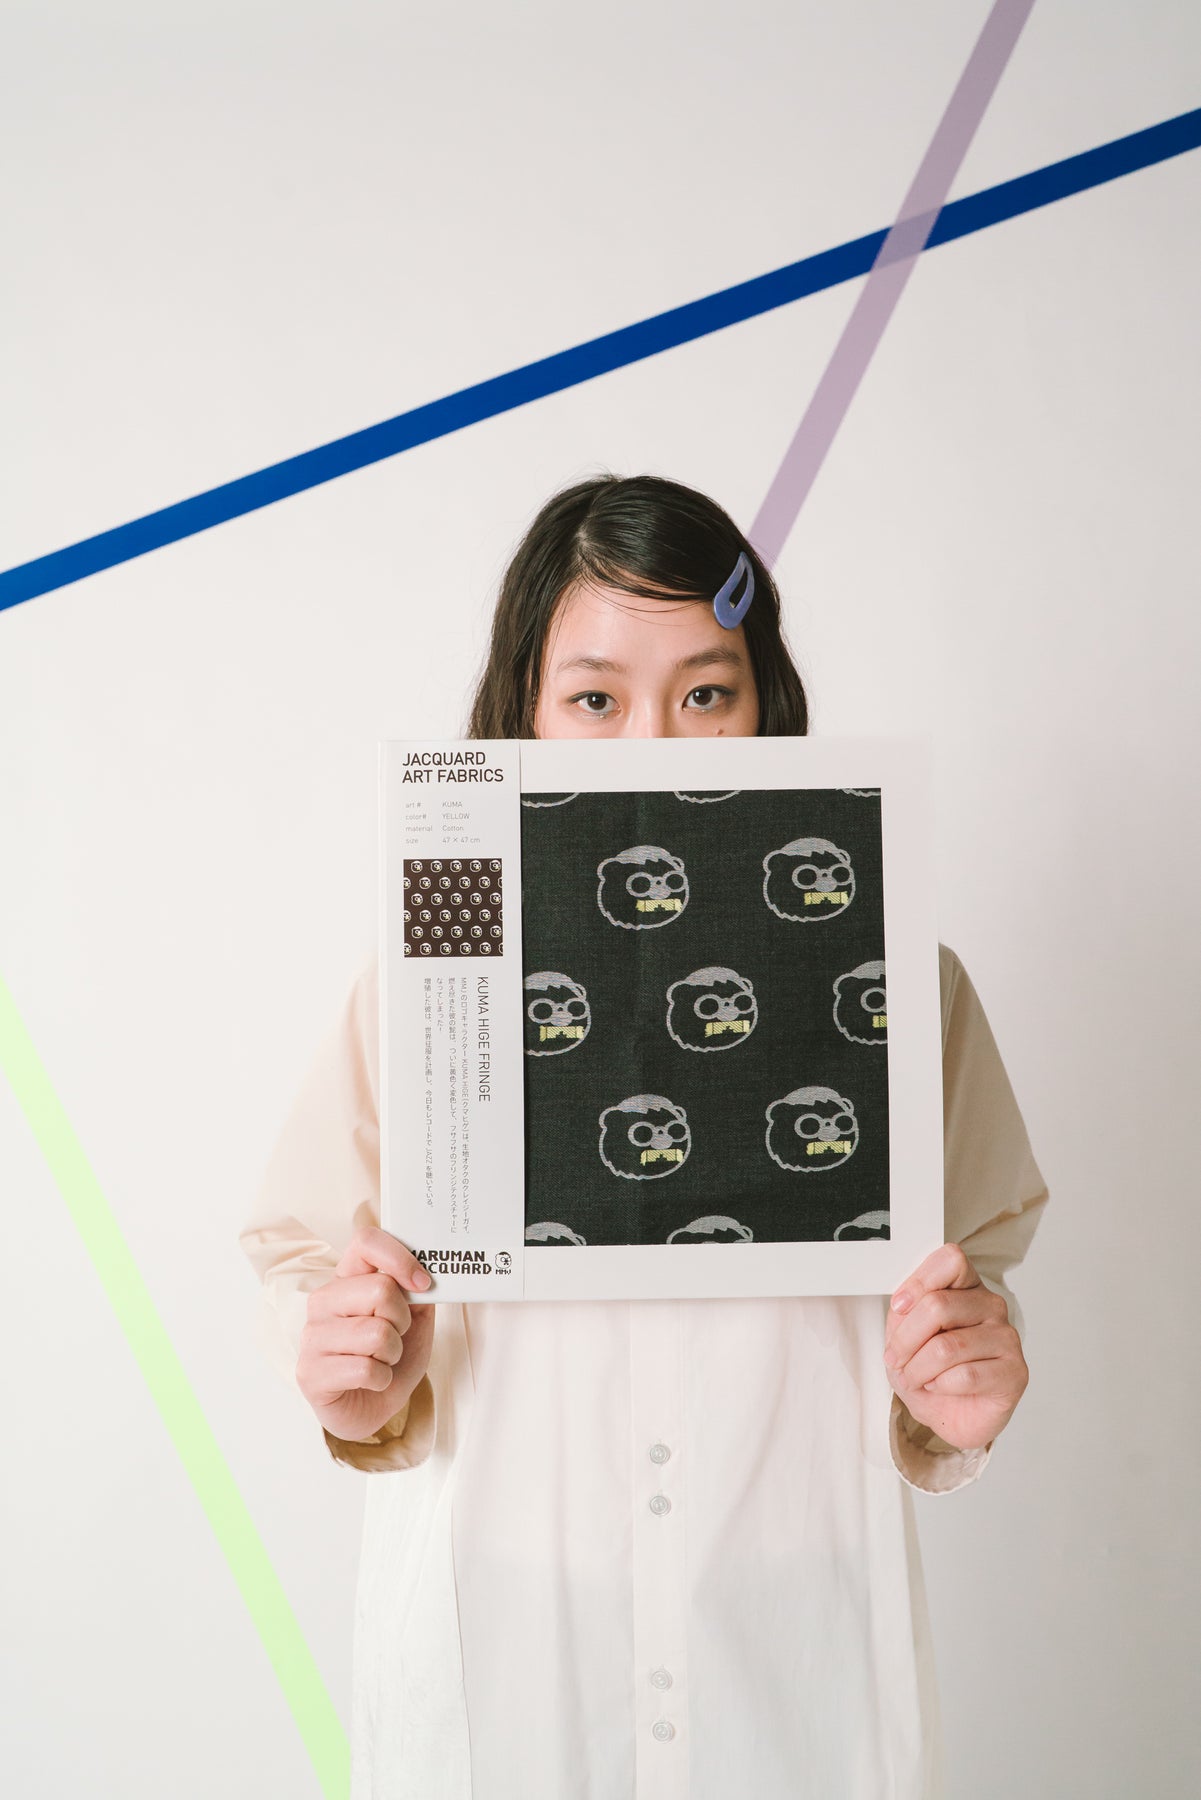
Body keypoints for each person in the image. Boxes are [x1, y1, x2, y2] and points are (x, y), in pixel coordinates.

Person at [238, 473, 1049, 1800]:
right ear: (524, 713)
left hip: (793, 1663)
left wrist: (949, 1394)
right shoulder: (431, 975)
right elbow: (304, 1258)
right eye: (595, 698)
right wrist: (343, 1368)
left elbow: (971, 1271)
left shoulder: (902, 980)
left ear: (766, 705)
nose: (653, 742)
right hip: (506, 1664)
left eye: (706, 693)